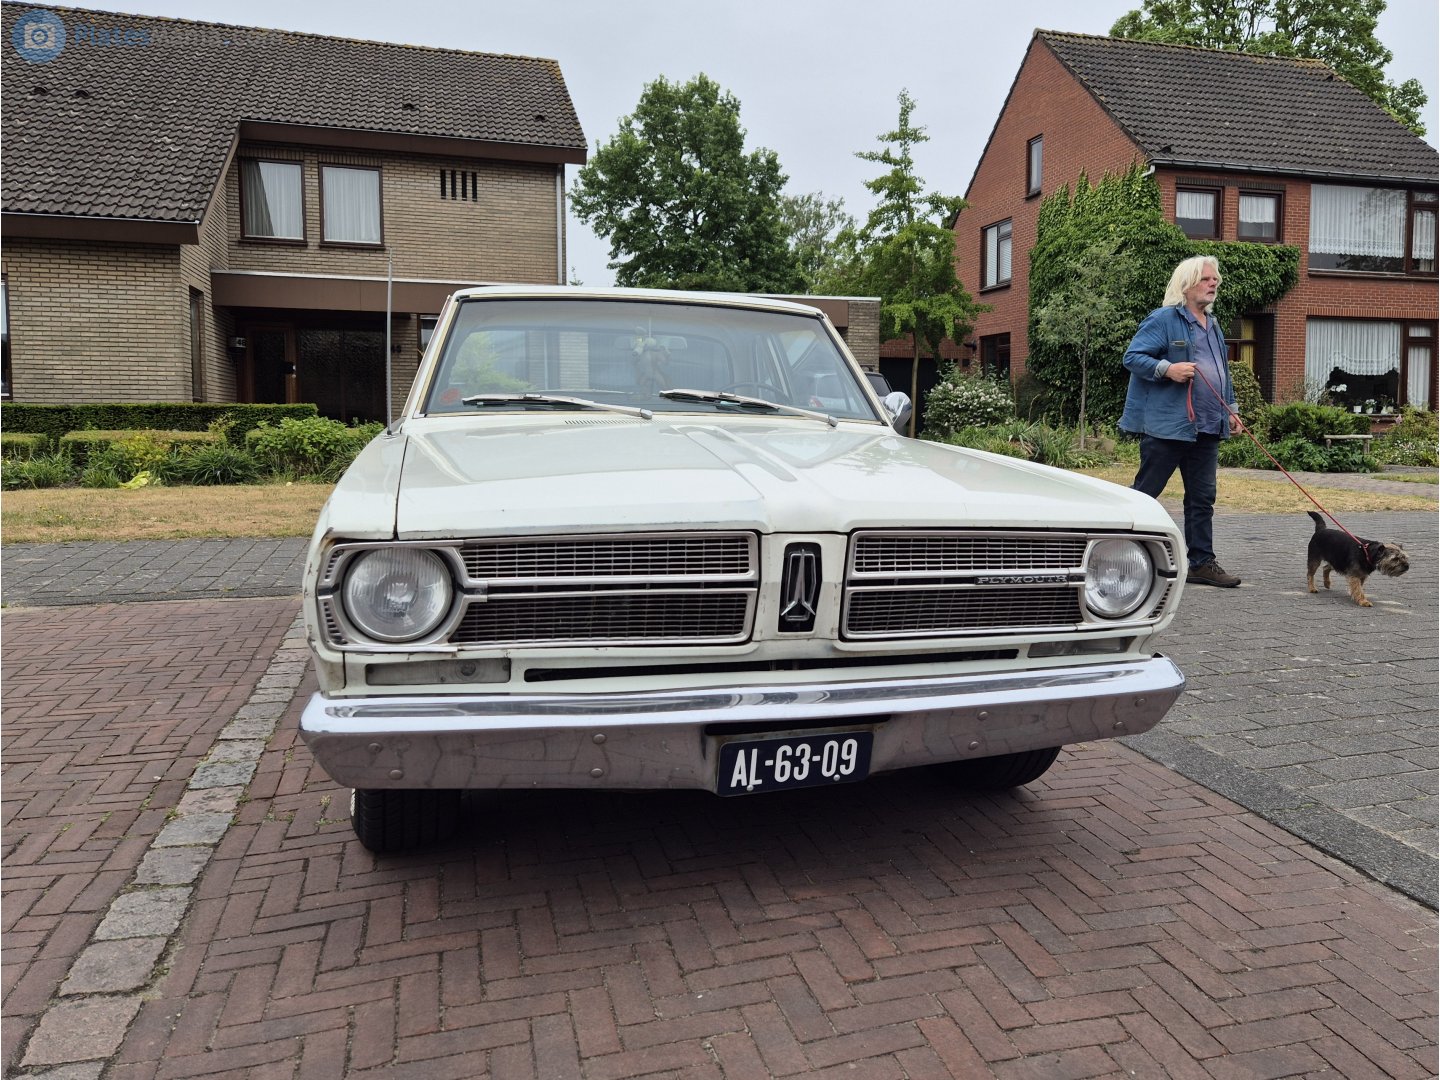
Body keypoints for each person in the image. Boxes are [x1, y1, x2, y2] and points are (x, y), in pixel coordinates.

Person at [1119, 254, 1244, 588]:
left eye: (1215, 279)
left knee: (1202, 498)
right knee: (1145, 494)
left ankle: (1202, 562)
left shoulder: (1214, 325)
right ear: (1187, 285)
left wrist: (1231, 409)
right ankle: (1115, 554)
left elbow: (1222, 372)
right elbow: (1133, 357)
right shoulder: (1163, 319)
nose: (1213, 283)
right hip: (1167, 427)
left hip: (1207, 427)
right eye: (1206, 279)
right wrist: (1167, 369)